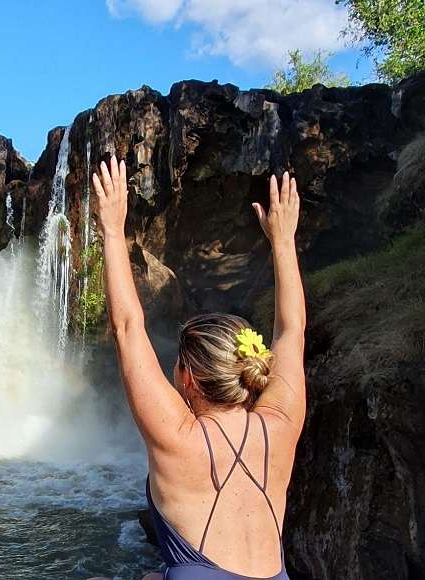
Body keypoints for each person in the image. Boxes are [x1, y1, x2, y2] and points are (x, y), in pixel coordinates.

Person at [91, 155, 304, 579]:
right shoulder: (281, 423)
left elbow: (128, 328)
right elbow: (292, 331)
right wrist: (283, 240)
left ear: (187, 378)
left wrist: (113, 231)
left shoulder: (177, 438)